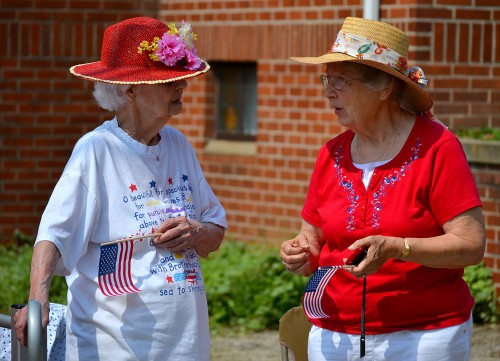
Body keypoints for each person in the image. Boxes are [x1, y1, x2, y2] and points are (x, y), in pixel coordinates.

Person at [14, 17, 227, 361]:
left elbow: (215, 231)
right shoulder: (96, 150)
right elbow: (54, 234)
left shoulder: (179, 145)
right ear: (130, 91)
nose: (182, 86)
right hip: (116, 347)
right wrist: (38, 300)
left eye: (181, 78)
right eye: (168, 81)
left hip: (185, 344)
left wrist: (195, 231)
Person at [280, 17, 485, 361]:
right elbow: (312, 242)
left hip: (423, 337)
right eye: (326, 79)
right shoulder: (331, 154)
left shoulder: (438, 148)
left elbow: (470, 245)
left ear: (384, 87)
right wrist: (298, 253)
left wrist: (397, 247)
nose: (328, 92)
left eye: (340, 80)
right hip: (335, 334)